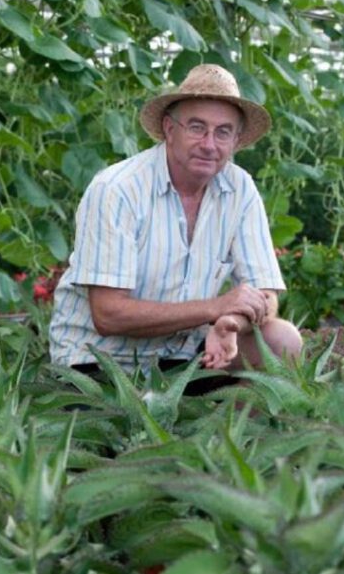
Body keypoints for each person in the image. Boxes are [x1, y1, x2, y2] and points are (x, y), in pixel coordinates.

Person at [48, 63, 303, 390]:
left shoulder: (239, 188)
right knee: (111, 417)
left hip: (187, 357)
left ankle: (220, 437)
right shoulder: (117, 189)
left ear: (237, 140)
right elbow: (108, 315)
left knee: (282, 340)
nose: (210, 144)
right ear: (169, 129)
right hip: (101, 363)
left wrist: (229, 321)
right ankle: (145, 429)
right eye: (197, 127)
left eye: (223, 131)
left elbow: (265, 293)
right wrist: (214, 307)